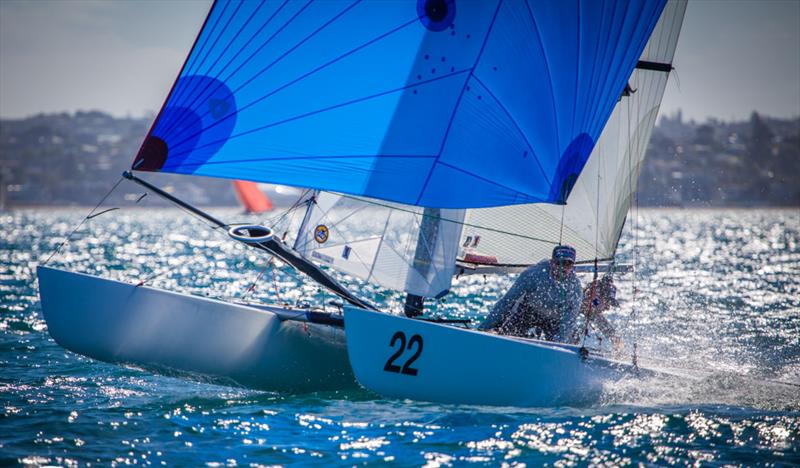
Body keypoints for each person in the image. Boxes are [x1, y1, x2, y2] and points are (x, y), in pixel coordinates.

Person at [479, 245, 620, 346]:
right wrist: (482, 329)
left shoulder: (574, 289)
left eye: (568, 264)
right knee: (507, 334)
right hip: (528, 312)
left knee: (569, 337)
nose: (563, 268)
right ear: (552, 262)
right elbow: (507, 302)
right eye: (559, 263)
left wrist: (556, 349)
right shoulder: (533, 275)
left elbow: (568, 324)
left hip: (555, 321)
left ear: (572, 266)